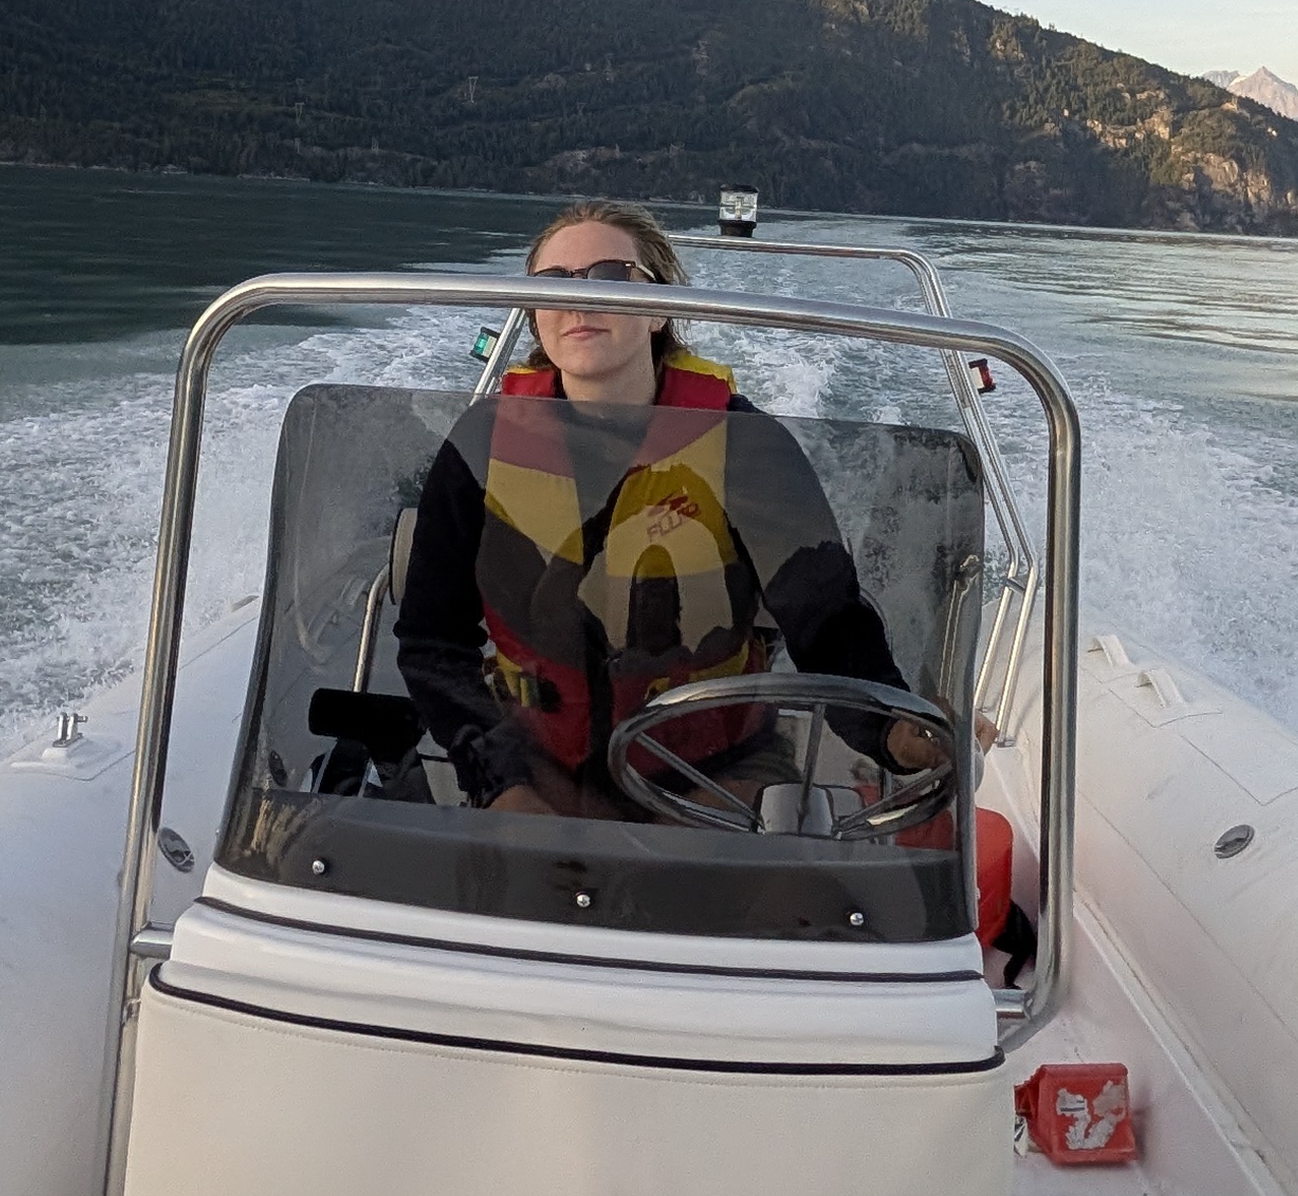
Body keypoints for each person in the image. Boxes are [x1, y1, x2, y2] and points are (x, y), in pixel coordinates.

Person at [391, 202, 943, 821]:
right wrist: (500, 779)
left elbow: (828, 622)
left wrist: (891, 727)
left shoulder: (744, 446)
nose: (582, 301)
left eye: (611, 277)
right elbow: (432, 640)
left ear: (657, 310)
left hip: (719, 767)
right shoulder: (482, 444)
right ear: (534, 314)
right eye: (551, 284)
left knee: (715, 894)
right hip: (532, 766)